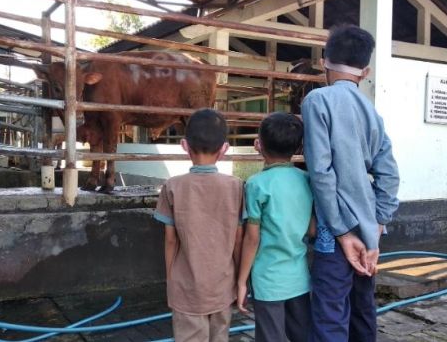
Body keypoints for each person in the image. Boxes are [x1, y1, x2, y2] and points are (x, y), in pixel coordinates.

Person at [302, 25, 400, 342]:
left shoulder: (317, 100)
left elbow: (320, 172)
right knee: (362, 312)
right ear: (366, 70)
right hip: (368, 232)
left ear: (323, 62)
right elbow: (389, 174)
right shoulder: (372, 112)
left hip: (336, 233)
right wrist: (379, 224)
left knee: (330, 316)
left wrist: (343, 233)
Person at [154, 108, 244, 342]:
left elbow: (171, 240)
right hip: (222, 287)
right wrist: (238, 278)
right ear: (224, 149)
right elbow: (238, 240)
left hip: (187, 290)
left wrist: (171, 279)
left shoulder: (172, 187)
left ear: (185, 146)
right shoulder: (237, 187)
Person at [236, 112, 314, 342]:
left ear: (259, 145)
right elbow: (312, 230)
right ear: (299, 147)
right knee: (302, 335)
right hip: (299, 277)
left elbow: (252, 239)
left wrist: (241, 281)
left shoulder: (256, 184)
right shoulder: (306, 179)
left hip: (268, 280)